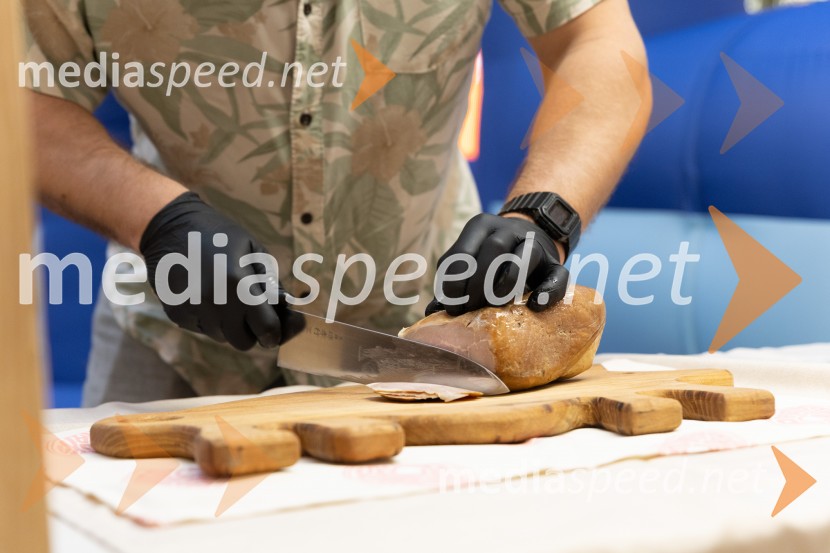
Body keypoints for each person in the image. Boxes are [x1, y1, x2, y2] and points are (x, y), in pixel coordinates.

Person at [22, 0, 651, 406]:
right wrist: (157, 219)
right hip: (172, 337)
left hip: (434, 337)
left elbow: (597, 41)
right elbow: (22, 90)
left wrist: (542, 214)